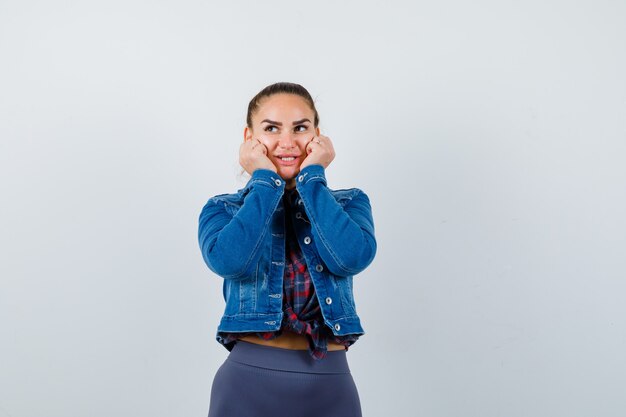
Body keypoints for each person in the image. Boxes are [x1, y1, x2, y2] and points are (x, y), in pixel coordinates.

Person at [197, 82, 377, 417]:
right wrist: (265, 179)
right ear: (249, 138)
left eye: (300, 128)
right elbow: (231, 262)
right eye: (271, 128)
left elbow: (351, 257)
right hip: (246, 384)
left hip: (331, 386)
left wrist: (312, 175)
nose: (288, 141)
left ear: (318, 136)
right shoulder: (223, 209)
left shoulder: (350, 203)